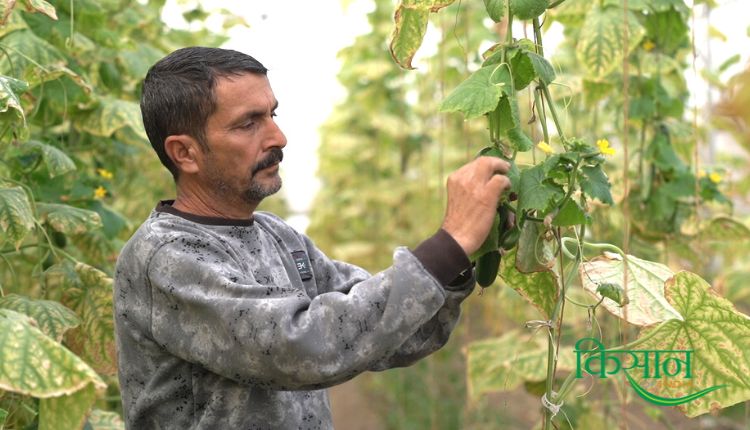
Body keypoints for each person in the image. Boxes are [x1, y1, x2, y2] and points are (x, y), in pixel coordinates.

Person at [114, 46, 511, 430]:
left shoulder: (277, 236)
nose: (278, 137)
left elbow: (394, 332)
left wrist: (461, 258)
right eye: (249, 123)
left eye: (272, 115)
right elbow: (300, 347)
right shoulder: (165, 256)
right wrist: (448, 243)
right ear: (185, 153)